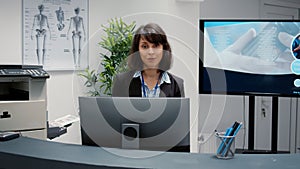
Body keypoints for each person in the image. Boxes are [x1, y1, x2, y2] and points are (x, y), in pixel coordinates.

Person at [112, 23, 185, 97]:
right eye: (145, 46)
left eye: (156, 46)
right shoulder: (121, 81)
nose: (151, 52)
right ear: (137, 50)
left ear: (164, 49)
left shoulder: (177, 84)